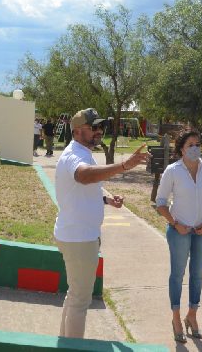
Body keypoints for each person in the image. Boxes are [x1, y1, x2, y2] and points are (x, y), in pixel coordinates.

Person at [54, 108, 151, 339]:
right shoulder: (73, 155)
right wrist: (125, 166)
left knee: (74, 294)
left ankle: (63, 343)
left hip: (77, 234)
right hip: (80, 238)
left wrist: (106, 199)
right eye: (93, 127)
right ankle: (73, 346)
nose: (99, 131)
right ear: (77, 131)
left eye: (101, 127)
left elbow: (80, 190)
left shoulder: (82, 152)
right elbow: (83, 176)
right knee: (80, 300)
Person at [155, 130, 202, 343]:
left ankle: (192, 316)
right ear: (181, 149)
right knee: (177, 275)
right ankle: (175, 319)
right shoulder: (172, 171)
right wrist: (175, 223)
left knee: (198, 275)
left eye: (198, 144)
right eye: (190, 144)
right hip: (178, 231)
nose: (195, 148)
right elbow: (161, 203)